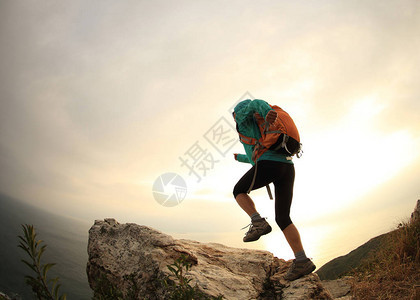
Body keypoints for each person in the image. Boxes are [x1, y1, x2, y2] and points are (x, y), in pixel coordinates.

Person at [232, 99, 315, 281]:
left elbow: (255, 103)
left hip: (269, 164)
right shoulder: (262, 133)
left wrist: (269, 114)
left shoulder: (243, 118)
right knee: (283, 218)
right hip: (287, 166)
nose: (236, 119)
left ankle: (258, 222)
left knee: (238, 191)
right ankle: (302, 260)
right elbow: (256, 154)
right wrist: (240, 158)